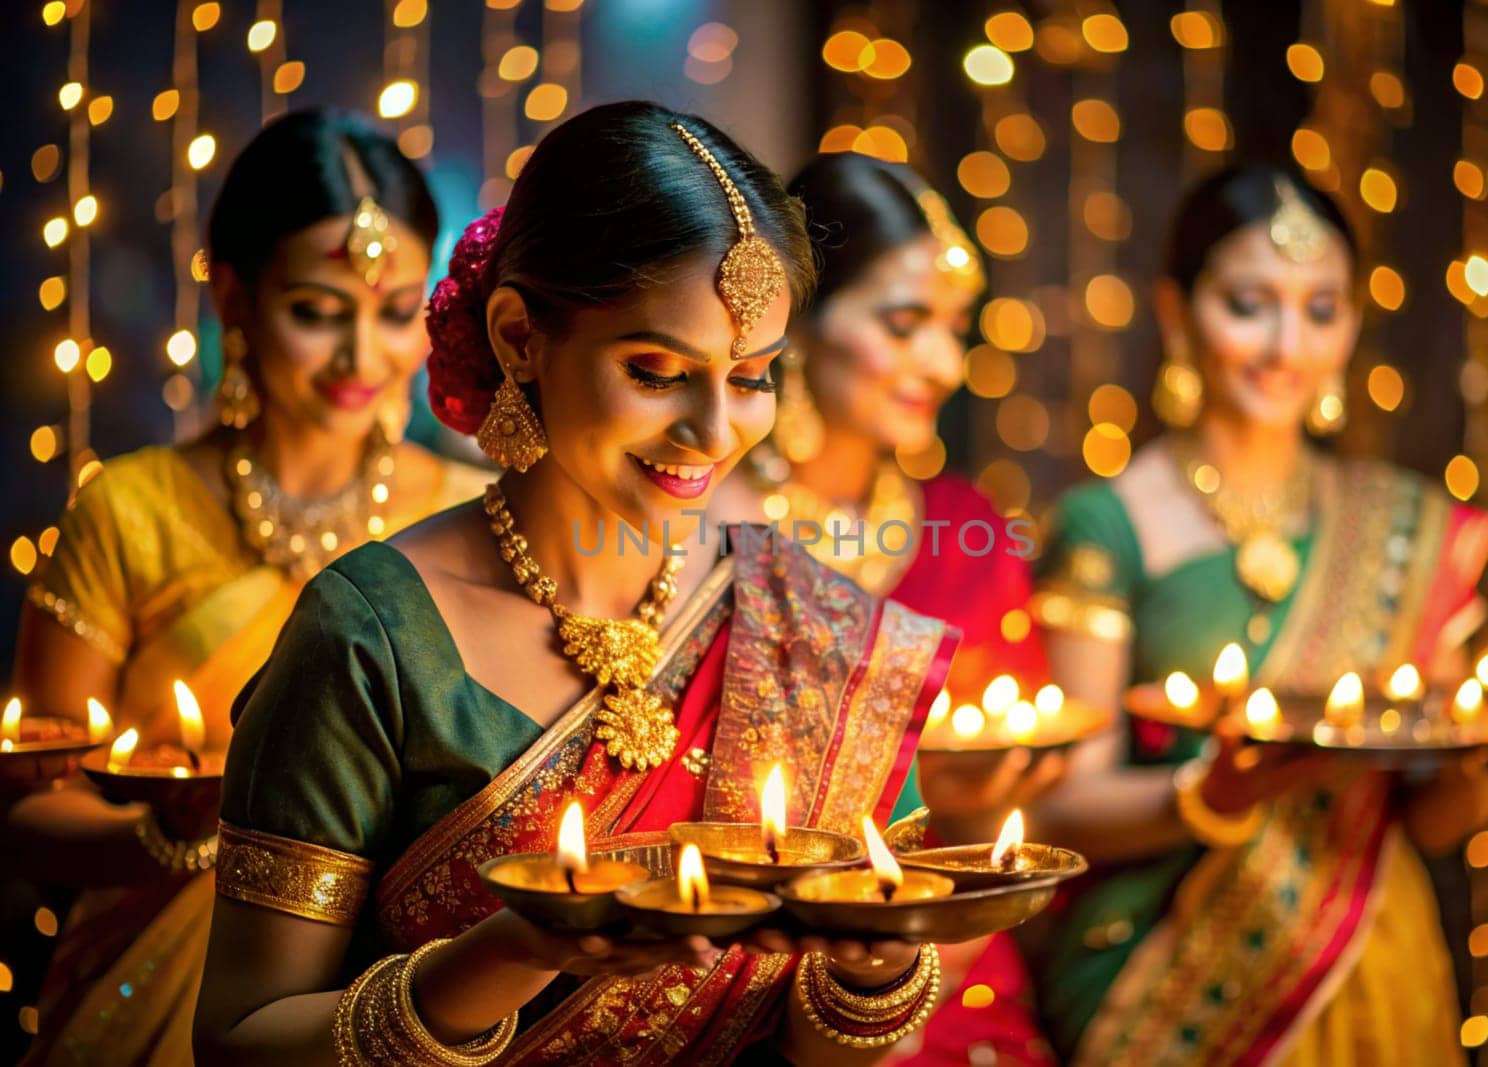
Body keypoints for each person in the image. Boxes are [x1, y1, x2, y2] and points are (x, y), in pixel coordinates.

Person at [193, 102, 958, 1066]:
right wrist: (505, 955)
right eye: (655, 370)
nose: (715, 432)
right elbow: (237, 1042)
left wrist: (872, 970)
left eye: (754, 375)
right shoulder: (371, 634)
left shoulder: (815, 627)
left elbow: (842, 1047)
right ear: (519, 337)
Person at [1024, 163, 1488, 1065]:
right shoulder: (1108, 523)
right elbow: (1060, 807)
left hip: (1369, 956)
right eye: (1250, 304)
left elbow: (1433, 822)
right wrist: (1215, 793)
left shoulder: (1402, 526)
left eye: (1321, 309)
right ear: (1176, 312)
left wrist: (1483, 765)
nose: (1288, 344)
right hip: (1165, 972)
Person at [7, 109, 484, 1067]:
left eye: (395, 312)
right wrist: (194, 837)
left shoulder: (472, 519)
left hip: (409, 986)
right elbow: (25, 808)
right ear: (233, 296)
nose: (363, 358)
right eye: (317, 310)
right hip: (157, 995)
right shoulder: (131, 511)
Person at [708, 151, 1061, 1064]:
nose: (944, 363)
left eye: (954, 328)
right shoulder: (710, 518)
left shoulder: (966, 528)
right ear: (803, 319)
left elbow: (1001, 817)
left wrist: (984, 806)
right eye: (904, 325)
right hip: (729, 978)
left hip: (944, 963)